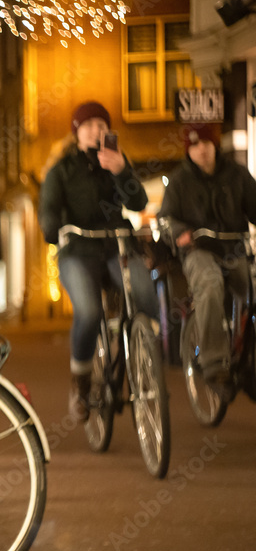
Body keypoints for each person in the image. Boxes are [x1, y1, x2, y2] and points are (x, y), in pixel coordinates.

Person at [38, 101, 160, 421]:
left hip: (116, 246)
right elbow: (49, 209)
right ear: (76, 132)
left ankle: (139, 352)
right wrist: (53, 229)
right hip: (78, 250)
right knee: (90, 311)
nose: (97, 130)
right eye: (89, 125)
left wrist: (121, 171)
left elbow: (139, 201)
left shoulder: (116, 163)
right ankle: (80, 382)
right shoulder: (61, 170)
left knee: (145, 293)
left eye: (102, 126)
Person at [158, 123, 256, 398]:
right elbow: (165, 218)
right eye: (195, 145)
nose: (201, 150)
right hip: (198, 251)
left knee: (252, 290)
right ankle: (214, 365)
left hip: (234, 249)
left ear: (216, 146)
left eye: (206, 143)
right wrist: (179, 233)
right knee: (211, 285)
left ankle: (248, 357)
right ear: (188, 150)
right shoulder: (179, 181)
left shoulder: (237, 174)